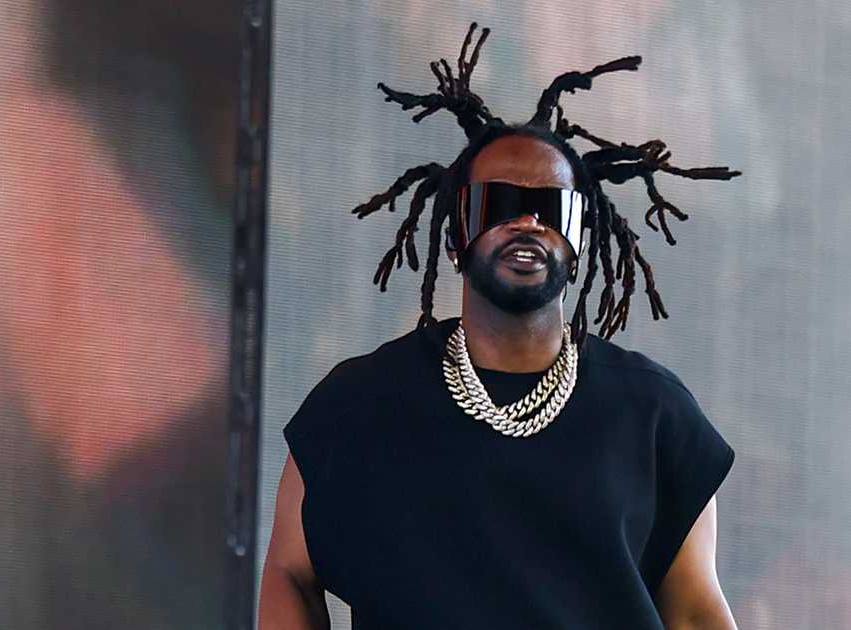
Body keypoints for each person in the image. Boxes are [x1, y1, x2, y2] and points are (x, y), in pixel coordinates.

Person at [260, 24, 741, 630]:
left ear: (580, 242)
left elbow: (697, 609)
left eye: (554, 211)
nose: (529, 225)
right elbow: (289, 574)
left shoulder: (654, 414)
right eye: (500, 205)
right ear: (457, 238)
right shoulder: (360, 403)